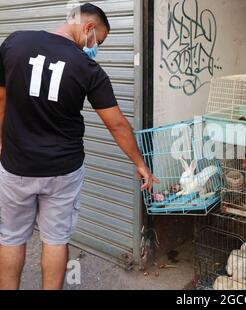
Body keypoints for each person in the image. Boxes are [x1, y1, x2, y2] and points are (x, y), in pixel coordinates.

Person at [0, 3, 159, 290]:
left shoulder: (15, 42)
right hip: (63, 170)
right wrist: (140, 163)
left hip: (16, 166)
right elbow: (117, 124)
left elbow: (1, 99)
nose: (94, 47)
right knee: (56, 240)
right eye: (98, 40)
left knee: (11, 237)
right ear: (88, 28)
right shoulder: (88, 68)